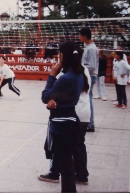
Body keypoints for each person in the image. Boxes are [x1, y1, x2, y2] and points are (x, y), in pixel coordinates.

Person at [41, 41, 89, 193]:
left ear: (62, 56)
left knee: (66, 166)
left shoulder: (66, 77)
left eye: (58, 53)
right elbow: (58, 97)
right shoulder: (78, 74)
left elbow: (45, 96)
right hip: (70, 120)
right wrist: (53, 102)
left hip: (61, 124)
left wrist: (51, 76)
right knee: (67, 165)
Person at [79, 27, 98, 132]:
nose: (79, 37)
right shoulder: (88, 47)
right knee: (87, 98)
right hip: (88, 75)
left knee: (88, 98)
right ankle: (88, 122)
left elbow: (92, 66)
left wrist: (81, 67)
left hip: (90, 75)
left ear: (84, 36)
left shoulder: (91, 48)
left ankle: (90, 124)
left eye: (80, 35)